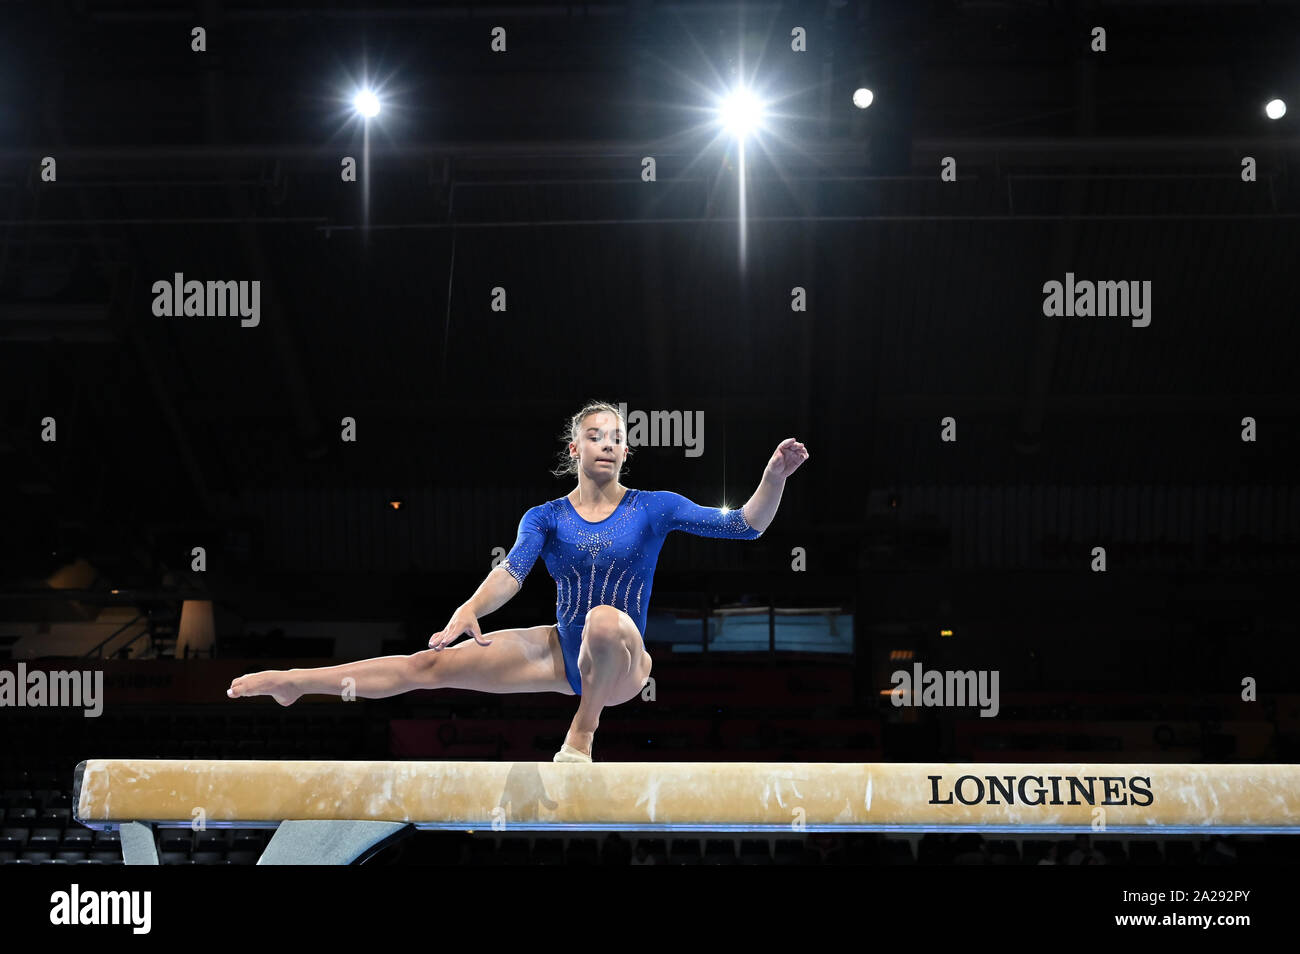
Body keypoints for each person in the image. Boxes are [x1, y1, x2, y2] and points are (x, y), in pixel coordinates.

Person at [227, 400, 809, 761]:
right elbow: (511, 572)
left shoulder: (653, 506)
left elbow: (745, 526)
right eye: (594, 434)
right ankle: (297, 682)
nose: (605, 443)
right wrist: (468, 608)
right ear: (574, 446)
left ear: (625, 451)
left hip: (625, 665)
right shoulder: (546, 517)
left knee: (606, 620)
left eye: (615, 436)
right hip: (560, 652)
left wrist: (773, 477)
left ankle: (583, 732)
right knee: (423, 667)